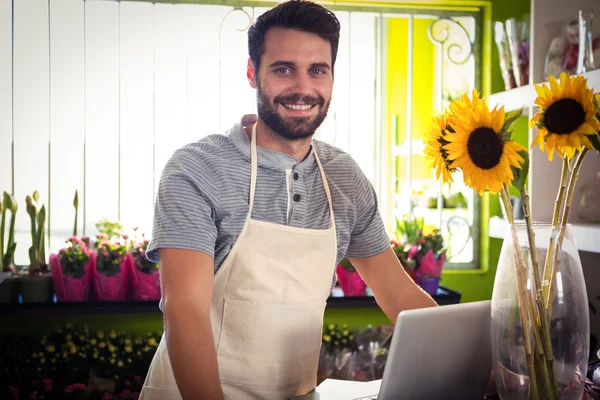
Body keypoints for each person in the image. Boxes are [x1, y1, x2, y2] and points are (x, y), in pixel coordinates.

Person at [139, 1, 437, 399]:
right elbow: (185, 307)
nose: (302, 88)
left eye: (317, 70)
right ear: (252, 74)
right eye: (283, 69)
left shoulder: (344, 178)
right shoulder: (198, 169)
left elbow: (398, 295)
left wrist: (473, 361)